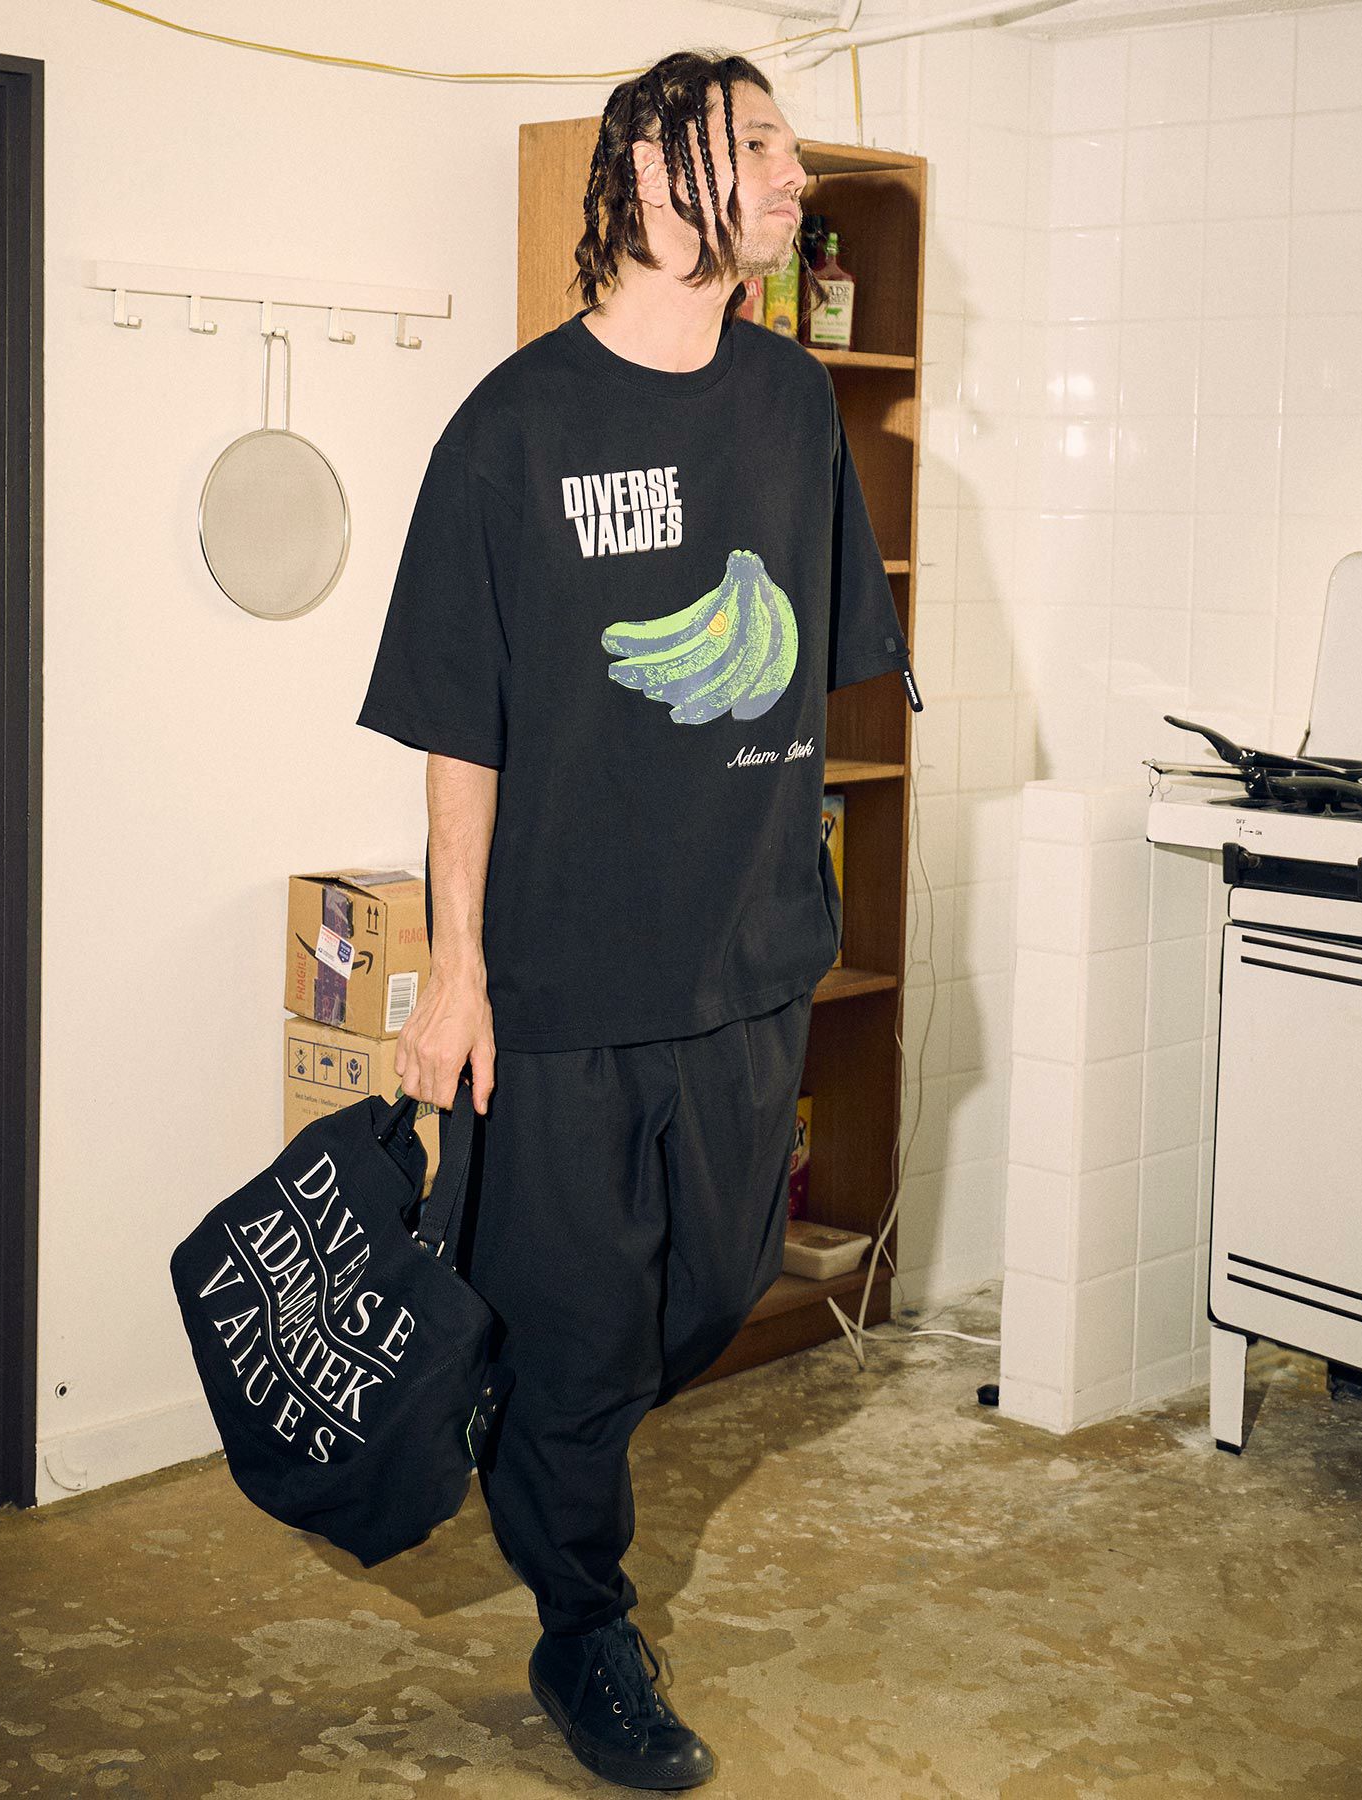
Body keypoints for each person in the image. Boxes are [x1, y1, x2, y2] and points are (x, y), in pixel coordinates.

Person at [355, 46, 919, 1791]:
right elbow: (461, 725)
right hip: (564, 976)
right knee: (588, 1330)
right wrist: (453, 972)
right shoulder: (513, 430)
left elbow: (811, 663)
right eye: (758, 144)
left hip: (747, 960)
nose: (793, 175)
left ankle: (527, 1404)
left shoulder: (791, 404)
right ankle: (581, 1621)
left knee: (721, 1284)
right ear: (659, 169)